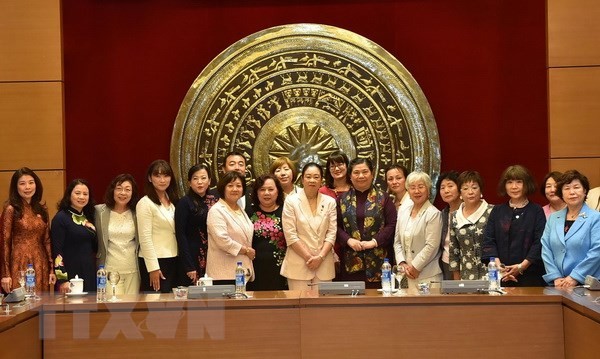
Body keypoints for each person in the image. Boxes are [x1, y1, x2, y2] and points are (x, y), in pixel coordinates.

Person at [482, 165, 546, 286]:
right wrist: (500, 267)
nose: (514, 187)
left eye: (519, 182)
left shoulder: (536, 211)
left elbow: (540, 242)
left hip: (530, 276)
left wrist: (521, 267)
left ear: (526, 184)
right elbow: (488, 240)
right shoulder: (497, 210)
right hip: (501, 276)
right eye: (509, 182)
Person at [337, 158, 397, 288]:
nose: (361, 176)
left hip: (379, 262)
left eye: (365, 172)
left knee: (378, 303)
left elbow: (392, 225)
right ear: (350, 175)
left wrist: (374, 242)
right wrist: (348, 240)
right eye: (356, 172)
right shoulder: (342, 199)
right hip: (351, 262)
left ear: (372, 173)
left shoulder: (384, 198)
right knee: (353, 303)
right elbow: (335, 226)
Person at [281, 163, 337, 290]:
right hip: (299, 262)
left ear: (321, 180)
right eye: (308, 177)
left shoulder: (330, 202)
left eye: (316, 177)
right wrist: (309, 257)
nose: (312, 180)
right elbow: (290, 235)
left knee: (322, 306)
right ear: (302, 179)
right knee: (299, 306)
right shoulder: (291, 201)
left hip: (324, 263)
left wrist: (320, 257)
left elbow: (332, 233)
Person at [1, 168, 56, 294]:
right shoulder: (11, 209)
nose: (27, 187)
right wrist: (5, 274)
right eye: (22, 183)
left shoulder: (42, 209)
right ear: (16, 187)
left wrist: (51, 268)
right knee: (21, 304)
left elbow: (47, 240)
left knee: (41, 304)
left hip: (40, 262)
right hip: (19, 261)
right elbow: (5, 243)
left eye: (31, 182)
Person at [542, 170, 600, 287]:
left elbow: (597, 251)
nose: (572, 192)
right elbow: (546, 248)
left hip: (586, 284)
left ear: (584, 191)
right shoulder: (553, 218)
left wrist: (575, 277)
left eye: (576, 187)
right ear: (561, 194)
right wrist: (555, 276)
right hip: (557, 284)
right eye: (567, 188)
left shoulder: (595, 218)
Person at [137, 160, 179, 293]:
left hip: (173, 258)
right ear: (150, 178)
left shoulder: (173, 201)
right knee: (155, 304)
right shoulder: (145, 203)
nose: (162, 180)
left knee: (172, 304)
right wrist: (153, 268)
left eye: (166, 175)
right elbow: (145, 238)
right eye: (157, 176)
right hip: (155, 261)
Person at [394, 171, 442, 289]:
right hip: (405, 273)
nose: (417, 191)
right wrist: (402, 263)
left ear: (428, 190)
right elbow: (397, 241)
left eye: (421, 187)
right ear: (408, 191)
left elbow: (432, 245)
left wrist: (415, 267)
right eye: (412, 187)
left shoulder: (434, 213)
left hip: (428, 275)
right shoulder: (403, 212)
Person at [95, 173, 140, 295]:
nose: (123, 193)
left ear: (132, 193)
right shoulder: (99, 211)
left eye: (127, 189)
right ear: (112, 191)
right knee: (113, 309)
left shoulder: (137, 212)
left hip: (133, 270)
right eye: (119, 189)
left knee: (132, 309)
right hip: (110, 270)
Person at [206, 171, 254, 284]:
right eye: (230, 186)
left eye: (238, 186)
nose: (235, 189)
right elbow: (222, 240)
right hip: (223, 274)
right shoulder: (216, 210)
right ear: (223, 188)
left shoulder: (240, 209)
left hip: (241, 273)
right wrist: (246, 251)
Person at [175, 164, 219, 286]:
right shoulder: (184, 202)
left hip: (213, 255)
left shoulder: (215, 201)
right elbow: (181, 235)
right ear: (189, 182)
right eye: (195, 178)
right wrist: (189, 266)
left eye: (203, 178)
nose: (200, 182)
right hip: (192, 255)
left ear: (209, 180)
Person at [52, 179, 97, 293]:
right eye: (77, 193)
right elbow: (57, 251)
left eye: (85, 194)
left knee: (90, 308)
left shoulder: (88, 217)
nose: (81, 197)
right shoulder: (60, 218)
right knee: (73, 309)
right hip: (71, 274)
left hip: (89, 271)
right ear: (69, 194)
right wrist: (62, 280)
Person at [448, 171, 494, 280]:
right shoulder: (454, 216)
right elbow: (454, 249)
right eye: (465, 188)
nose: (470, 192)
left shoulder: (492, 211)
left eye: (474, 187)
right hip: (466, 275)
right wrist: (456, 280)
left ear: (481, 190)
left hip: (491, 274)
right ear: (460, 193)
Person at [247, 174, 288, 290]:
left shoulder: (286, 211)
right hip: (255, 268)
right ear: (256, 192)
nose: (266, 193)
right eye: (262, 189)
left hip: (281, 268)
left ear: (278, 191)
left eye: (271, 189)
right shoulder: (248, 212)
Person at [435, 171, 461, 280]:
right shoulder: (443, 214)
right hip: (446, 262)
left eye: (450, 186)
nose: (446, 190)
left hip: (467, 264)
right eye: (442, 187)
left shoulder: (467, 211)